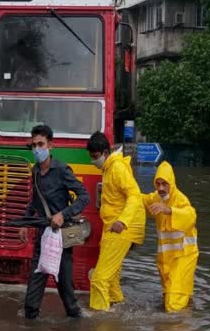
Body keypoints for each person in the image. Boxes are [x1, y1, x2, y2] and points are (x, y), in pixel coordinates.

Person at [21, 125, 90, 319]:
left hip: (61, 241)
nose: (37, 149)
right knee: (31, 303)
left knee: (69, 300)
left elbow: (85, 196)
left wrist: (63, 214)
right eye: (34, 145)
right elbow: (35, 201)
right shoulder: (34, 171)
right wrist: (27, 223)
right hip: (41, 239)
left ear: (50, 145)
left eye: (40, 144)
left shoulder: (61, 169)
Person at [86, 132, 145, 311]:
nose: (93, 161)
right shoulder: (109, 168)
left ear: (105, 152)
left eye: (95, 157)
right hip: (113, 226)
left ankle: (99, 322)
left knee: (99, 278)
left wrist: (123, 221)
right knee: (110, 279)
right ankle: (118, 313)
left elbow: (134, 195)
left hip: (121, 227)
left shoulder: (117, 168)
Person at [142, 161, 199, 312]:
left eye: (164, 184)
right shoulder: (155, 198)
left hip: (183, 256)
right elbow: (139, 200)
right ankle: (186, 317)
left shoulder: (181, 199)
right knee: (172, 295)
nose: (161, 188)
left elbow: (191, 216)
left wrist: (168, 210)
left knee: (173, 303)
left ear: (171, 183)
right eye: (158, 184)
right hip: (166, 258)